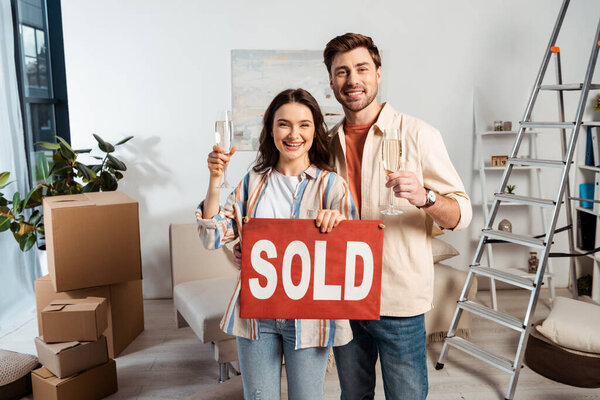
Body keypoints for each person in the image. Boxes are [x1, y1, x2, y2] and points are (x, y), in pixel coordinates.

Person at [323, 33, 472, 399]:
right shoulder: (325, 144)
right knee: (353, 395)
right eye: (342, 72)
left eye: (361, 68)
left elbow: (461, 215)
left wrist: (425, 197)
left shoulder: (419, 134)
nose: (352, 80)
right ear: (331, 81)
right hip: (343, 295)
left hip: (399, 300)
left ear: (378, 73)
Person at [196, 88, 357, 400]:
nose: (293, 134)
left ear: (315, 130)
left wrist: (338, 227)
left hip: (311, 317)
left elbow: (350, 257)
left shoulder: (333, 186)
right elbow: (212, 236)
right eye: (284, 124)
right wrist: (215, 180)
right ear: (271, 130)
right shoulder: (253, 182)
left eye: (304, 125)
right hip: (257, 314)